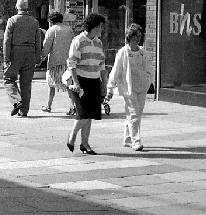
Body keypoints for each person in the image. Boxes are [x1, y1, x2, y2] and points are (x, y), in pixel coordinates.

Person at [66, 12, 108, 155]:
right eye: (100, 27)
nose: (102, 30)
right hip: (81, 80)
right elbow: (72, 63)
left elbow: (102, 65)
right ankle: (72, 136)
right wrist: (76, 83)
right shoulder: (78, 41)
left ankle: (85, 144)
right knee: (83, 113)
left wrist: (104, 85)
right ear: (93, 27)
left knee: (90, 115)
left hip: (94, 80)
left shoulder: (98, 43)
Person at [106, 23, 152, 152]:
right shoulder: (123, 53)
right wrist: (110, 87)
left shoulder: (143, 52)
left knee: (136, 114)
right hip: (129, 88)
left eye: (139, 38)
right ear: (129, 38)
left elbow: (149, 68)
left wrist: (149, 80)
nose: (137, 40)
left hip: (141, 87)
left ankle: (127, 138)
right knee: (134, 114)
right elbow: (116, 70)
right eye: (135, 38)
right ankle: (136, 141)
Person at [3, 0, 42, 117]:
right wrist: (38, 56)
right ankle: (24, 110)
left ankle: (16, 101)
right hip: (30, 52)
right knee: (26, 83)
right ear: (27, 7)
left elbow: (7, 40)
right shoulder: (34, 22)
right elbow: (38, 40)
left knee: (9, 79)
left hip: (16, 51)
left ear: (17, 7)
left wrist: (6, 56)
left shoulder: (12, 20)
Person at [40, 11, 75, 114]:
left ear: (51, 21)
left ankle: (49, 105)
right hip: (68, 62)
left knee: (51, 85)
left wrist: (42, 57)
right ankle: (72, 106)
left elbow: (46, 47)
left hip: (55, 63)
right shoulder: (69, 30)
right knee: (69, 85)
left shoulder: (51, 30)